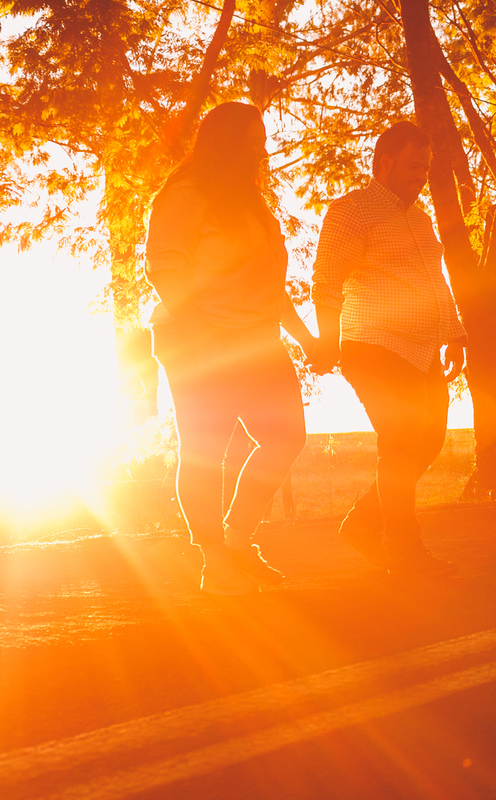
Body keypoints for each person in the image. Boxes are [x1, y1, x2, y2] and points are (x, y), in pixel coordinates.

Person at [145, 102, 317, 595]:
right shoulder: (184, 194)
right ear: (225, 142)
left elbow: (270, 284)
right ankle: (213, 561)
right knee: (204, 450)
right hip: (197, 338)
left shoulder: (251, 203)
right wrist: (201, 336)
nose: (261, 148)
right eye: (253, 138)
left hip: (256, 338)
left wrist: (305, 340)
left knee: (286, 435)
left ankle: (237, 537)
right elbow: (164, 268)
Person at [311, 121, 467, 578]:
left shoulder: (419, 219)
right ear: (385, 162)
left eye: (427, 167)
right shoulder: (351, 210)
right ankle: (404, 550)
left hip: (421, 351)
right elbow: (326, 281)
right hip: (372, 344)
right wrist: (326, 341)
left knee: (429, 439)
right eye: (416, 166)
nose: (423, 175)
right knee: (400, 439)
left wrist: (454, 333)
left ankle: (362, 524)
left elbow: (435, 282)